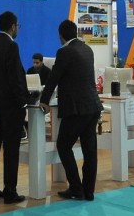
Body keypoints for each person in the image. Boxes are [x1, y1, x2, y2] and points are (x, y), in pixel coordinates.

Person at [39, 20, 103, 202]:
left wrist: (44, 101)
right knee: (90, 151)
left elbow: (54, 78)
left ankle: (75, 187)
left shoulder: (64, 52)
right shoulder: (87, 49)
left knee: (63, 146)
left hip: (76, 109)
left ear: (61, 36)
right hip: (93, 107)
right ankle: (88, 191)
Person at [0, 11, 33, 204]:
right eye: (17, 26)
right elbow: (15, 78)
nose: (17, 29)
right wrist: (23, 100)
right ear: (12, 26)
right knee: (11, 148)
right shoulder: (11, 46)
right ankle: (10, 191)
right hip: (11, 106)